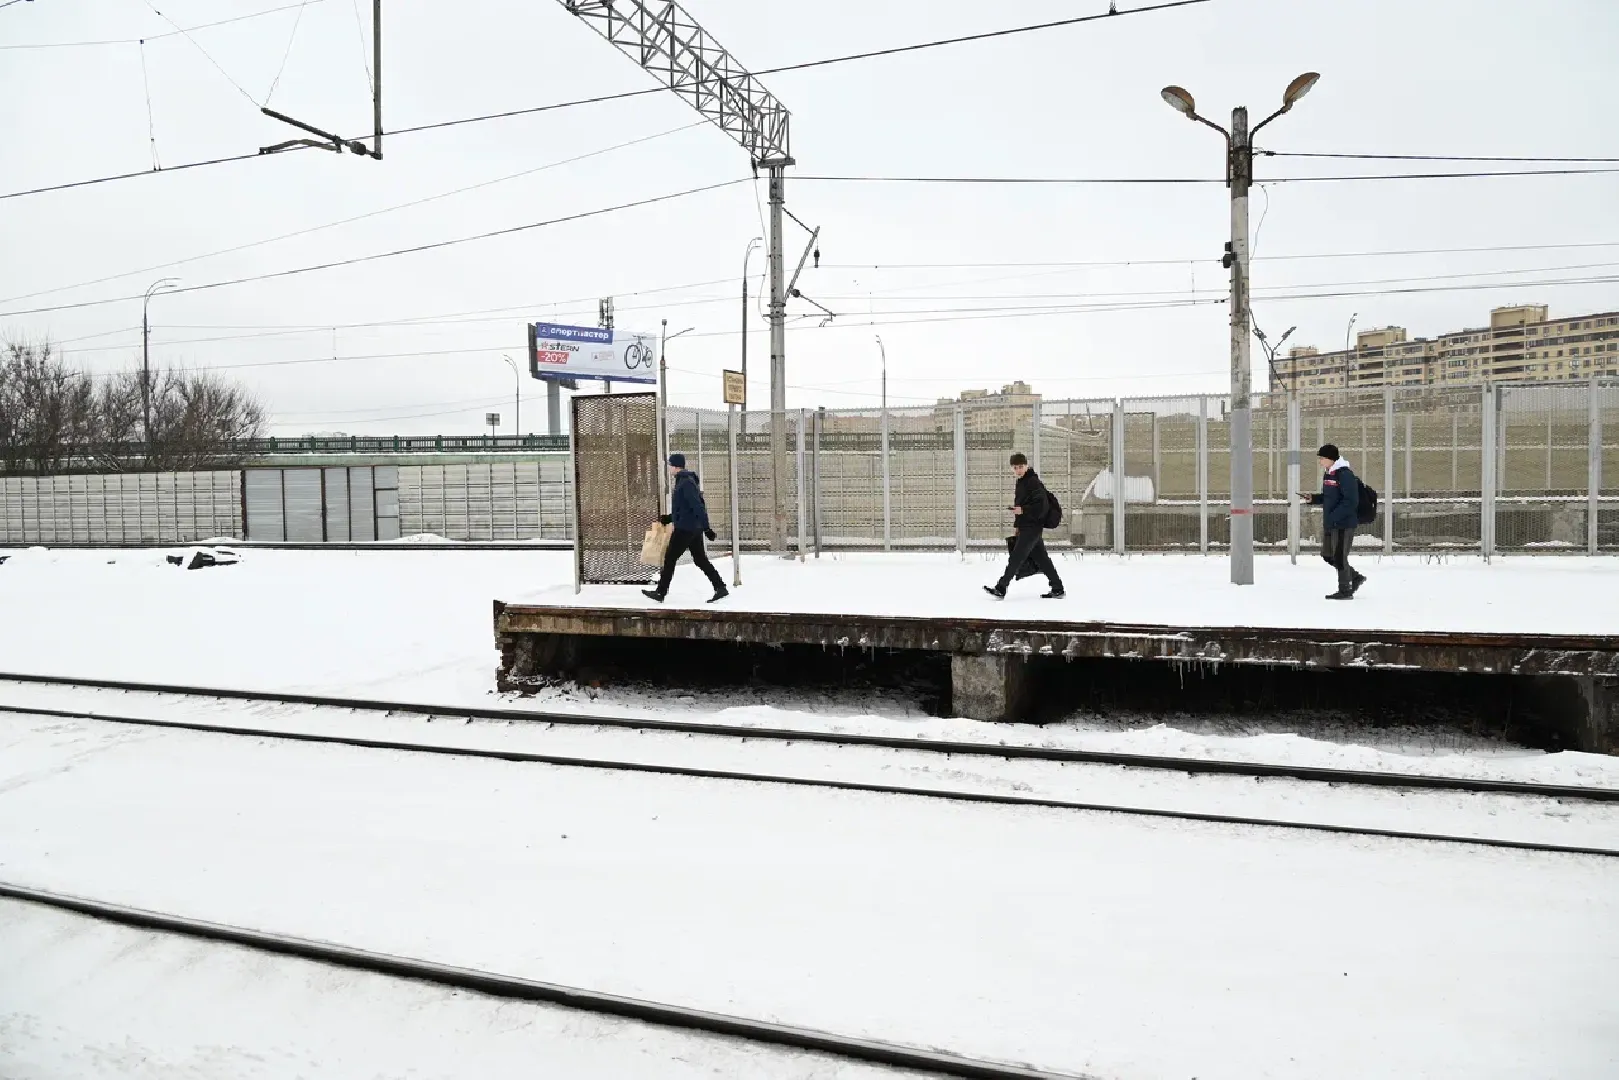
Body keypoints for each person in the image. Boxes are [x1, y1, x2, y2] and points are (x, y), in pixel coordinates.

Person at [643, 453, 729, 604]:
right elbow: (684, 508)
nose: (669, 468)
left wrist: (707, 528)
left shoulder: (686, 483)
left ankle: (660, 592)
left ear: (676, 466)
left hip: (686, 528)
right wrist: (669, 518)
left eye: (670, 465)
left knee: (670, 557)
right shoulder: (683, 481)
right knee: (700, 560)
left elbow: (698, 506)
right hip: (691, 527)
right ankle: (720, 587)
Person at [985, 452, 1064, 600]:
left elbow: (1042, 506)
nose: (1018, 470)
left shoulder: (1032, 481)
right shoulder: (1022, 481)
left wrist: (1023, 510)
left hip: (1032, 526)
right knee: (1042, 559)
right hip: (1027, 526)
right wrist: (1018, 525)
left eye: (1021, 467)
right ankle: (1057, 588)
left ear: (1026, 465)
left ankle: (1001, 587)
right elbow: (1022, 505)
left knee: (1016, 557)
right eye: (1015, 467)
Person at [1300, 443, 1367, 601]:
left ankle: (1345, 590)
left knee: (1339, 556)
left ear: (1331, 459)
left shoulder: (1344, 474)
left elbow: (1350, 501)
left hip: (1343, 523)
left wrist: (1335, 516)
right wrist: (1314, 498)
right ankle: (1355, 577)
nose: (1320, 461)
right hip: (1331, 522)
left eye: (1322, 458)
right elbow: (1329, 497)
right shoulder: (1329, 474)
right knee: (1328, 555)